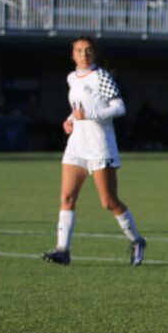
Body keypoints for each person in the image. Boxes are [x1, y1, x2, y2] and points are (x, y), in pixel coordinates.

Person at [43, 36, 146, 267]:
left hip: (100, 145)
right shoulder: (71, 78)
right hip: (77, 145)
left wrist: (91, 117)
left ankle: (137, 240)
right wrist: (69, 120)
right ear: (72, 55)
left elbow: (119, 107)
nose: (83, 55)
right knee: (67, 197)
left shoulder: (102, 76)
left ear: (94, 54)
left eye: (88, 51)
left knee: (108, 202)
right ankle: (63, 250)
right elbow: (78, 108)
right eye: (79, 51)